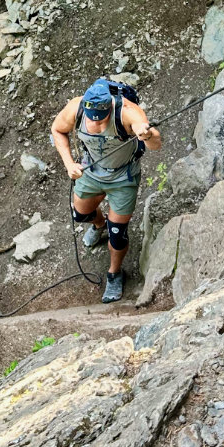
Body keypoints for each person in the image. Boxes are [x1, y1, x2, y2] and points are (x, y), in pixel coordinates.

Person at [50, 79, 162, 303]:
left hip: (123, 176)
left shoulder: (128, 112)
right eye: (92, 118)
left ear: (110, 107)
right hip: (91, 171)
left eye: (101, 118)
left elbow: (156, 144)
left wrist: (147, 135)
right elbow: (57, 129)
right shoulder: (76, 108)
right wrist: (70, 164)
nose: (96, 123)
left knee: (118, 234)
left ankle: (114, 273)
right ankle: (99, 225)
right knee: (80, 214)